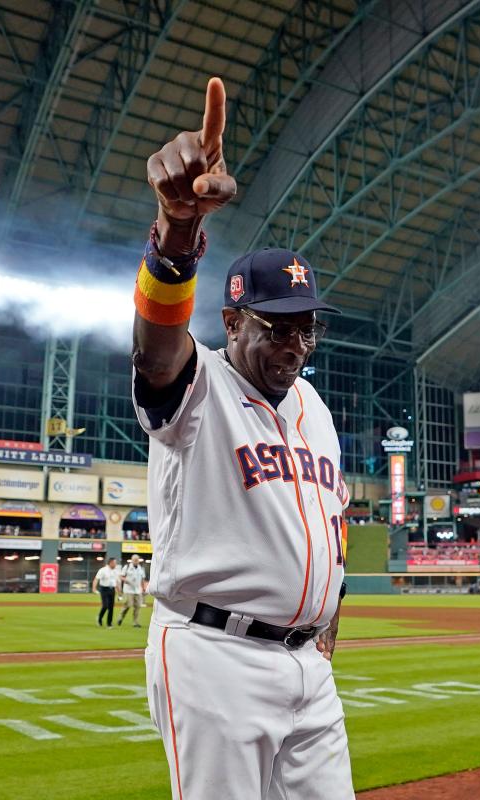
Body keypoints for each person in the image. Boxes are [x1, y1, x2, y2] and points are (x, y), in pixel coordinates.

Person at [130, 77, 352, 799]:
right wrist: (177, 236)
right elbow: (156, 353)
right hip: (214, 656)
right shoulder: (200, 390)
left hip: (308, 667)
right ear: (231, 325)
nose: (296, 342)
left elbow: (333, 525)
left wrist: (328, 624)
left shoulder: (314, 408)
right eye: (276, 325)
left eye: (305, 326)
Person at [117, 554, 148, 628]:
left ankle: (135, 622)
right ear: (132, 560)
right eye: (135, 560)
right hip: (128, 590)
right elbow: (121, 576)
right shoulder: (127, 567)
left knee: (137, 607)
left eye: (137, 560)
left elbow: (143, 579)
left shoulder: (141, 568)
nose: (136, 561)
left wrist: (144, 588)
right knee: (128, 605)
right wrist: (127, 580)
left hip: (138, 590)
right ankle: (121, 617)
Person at [92, 557, 120, 628]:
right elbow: (96, 579)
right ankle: (100, 618)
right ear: (110, 563)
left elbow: (116, 582)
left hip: (112, 589)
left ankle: (109, 623)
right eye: (114, 563)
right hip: (104, 589)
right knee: (105, 606)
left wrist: (119, 593)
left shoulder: (115, 571)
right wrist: (94, 588)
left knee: (111, 607)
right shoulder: (103, 570)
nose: (116, 564)